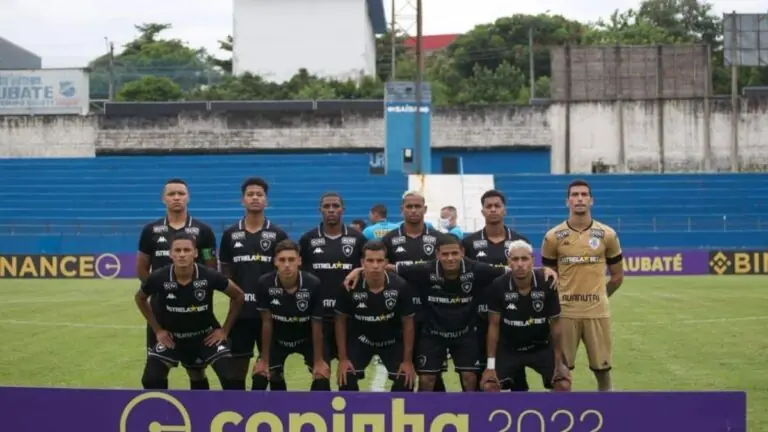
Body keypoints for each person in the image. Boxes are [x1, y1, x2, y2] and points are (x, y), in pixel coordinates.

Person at [345, 235, 507, 391]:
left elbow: (507, 271)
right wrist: (359, 270)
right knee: (426, 380)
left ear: (462, 252)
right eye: (445, 254)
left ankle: (472, 416)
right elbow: (387, 267)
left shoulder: (476, 269)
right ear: (437, 255)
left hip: (465, 333)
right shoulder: (425, 269)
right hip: (433, 334)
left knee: (470, 377)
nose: (450, 258)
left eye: (454, 253)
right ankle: (425, 416)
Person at [541, 179, 624, 392]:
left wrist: (599, 297)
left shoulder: (607, 235)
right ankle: (561, 420)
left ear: (591, 200)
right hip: (565, 313)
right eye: (575, 195)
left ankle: (609, 417)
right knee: (560, 374)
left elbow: (617, 277)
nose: (579, 198)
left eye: (584, 194)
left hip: (597, 312)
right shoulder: (553, 237)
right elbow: (548, 279)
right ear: (567, 201)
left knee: (603, 371)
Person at [136, 178, 218, 390]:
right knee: (156, 368)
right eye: (171, 194)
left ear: (188, 197)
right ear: (164, 199)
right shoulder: (150, 231)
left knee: (196, 368)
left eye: (181, 194)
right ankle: (159, 410)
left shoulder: (203, 231)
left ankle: (200, 411)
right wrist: (158, 290)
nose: (176, 198)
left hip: (195, 311)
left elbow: (211, 268)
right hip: (161, 311)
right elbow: (142, 268)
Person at [135, 232, 245, 390]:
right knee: (151, 379)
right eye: (177, 251)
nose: (182, 255)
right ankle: (161, 413)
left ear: (195, 253)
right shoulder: (159, 277)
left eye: (186, 250)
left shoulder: (209, 276)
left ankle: (218, 412)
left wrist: (224, 330)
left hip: (205, 336)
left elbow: (239, 296)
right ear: (170, 254)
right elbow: (140, 298)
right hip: (173, 339)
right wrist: (158, 330)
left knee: (232, 378)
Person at [219, 177, 288, 390]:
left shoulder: (277, 234)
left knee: (275, 370)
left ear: (266, 200)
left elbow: (286, 272)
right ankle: (238, 415)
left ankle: (280, 415)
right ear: (243, 200)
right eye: (250, 194)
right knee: (236, 369)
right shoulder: (231, 234)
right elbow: (225, 271)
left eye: (259, 194)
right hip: (240, 313)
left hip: (272, 313)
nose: (255, 198)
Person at [461, 189, 533, 392]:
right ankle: (474, 417)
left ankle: (517, 417)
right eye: (488, 206)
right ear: (482, 211)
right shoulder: (469, 243)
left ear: (504, 210)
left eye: (497, 206)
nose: (493, 210)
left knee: (515, 376)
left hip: (512, 318)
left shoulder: (520, 241)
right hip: (477, 317)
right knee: (476, 375)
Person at [380, 190, 449, 391]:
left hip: (433, 314)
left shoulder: (439, 239)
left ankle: (435, 417)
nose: (413, 210)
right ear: (402, 210)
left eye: (417, 206)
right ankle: (404, 417)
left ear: (425, 209)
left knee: (432, 375)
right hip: (399, 316)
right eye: (409, 207)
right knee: (404, 374)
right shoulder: (389, 240)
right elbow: (377, 268)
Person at [481, 240, 571, 392]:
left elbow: (556, 325)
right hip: (510, 349)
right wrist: (490, 366)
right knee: (489, 386)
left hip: (541, 347)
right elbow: (493, 325)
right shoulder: (499, 285)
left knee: (563, 384)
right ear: (509, 262)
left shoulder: (547, 283)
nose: (520, 264)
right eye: (515, 259)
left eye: (524, 259)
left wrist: (559, 363)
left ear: (532, 261)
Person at [298, 192, 368, 381]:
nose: (331, 210)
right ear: (320, 210)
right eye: (327, 206)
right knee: (320, 375)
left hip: (350, 318)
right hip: (318, 317)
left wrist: (359, 269)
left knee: (349, 376)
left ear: (342, 210)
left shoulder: (357, 239)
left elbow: (370, 266)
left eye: (335, 206)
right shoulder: (308, 240)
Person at [335, 241, 417, 391]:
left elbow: (408, 323)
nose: (375, 265)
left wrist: (407, 361)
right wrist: (343, 358)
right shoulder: (349, 285)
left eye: (379, 261)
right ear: (362, 262)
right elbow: (340, 321)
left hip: (391, 341)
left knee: (406, 380)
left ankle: (397, 414)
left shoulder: (400, 286)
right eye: (370, 261)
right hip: (361, 340)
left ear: (386, 262)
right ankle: (350, 413)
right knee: (345, 377)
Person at [251, 240, 331, 391]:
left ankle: (318, 412)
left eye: (291, 260)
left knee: (322, 376)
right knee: (260, 377)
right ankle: (274, 410)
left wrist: (319, 361)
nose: (287, 264)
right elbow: (266, 322)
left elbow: (317, 323)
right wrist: (264, 359)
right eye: (282, 260)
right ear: (275, 262)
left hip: (307, 339)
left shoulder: (313, 284)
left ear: (299, 261)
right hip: (278, 339)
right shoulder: (265, 283)